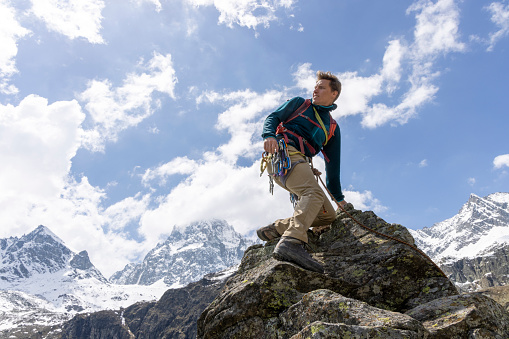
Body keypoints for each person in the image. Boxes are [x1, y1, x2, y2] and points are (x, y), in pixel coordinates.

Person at [257, 71, 347, 273]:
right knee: (312, 193)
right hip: (283, 155)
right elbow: (273, 117)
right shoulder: (299, 104)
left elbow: (333, 166)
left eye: (321, 87)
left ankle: (278, 228)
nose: (315, 89)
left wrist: (339, 200)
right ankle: (292, 241)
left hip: (299, 163)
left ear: (334, 93)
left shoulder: (332, 128)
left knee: (327, 216)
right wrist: (269, 135)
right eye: (315, 86)